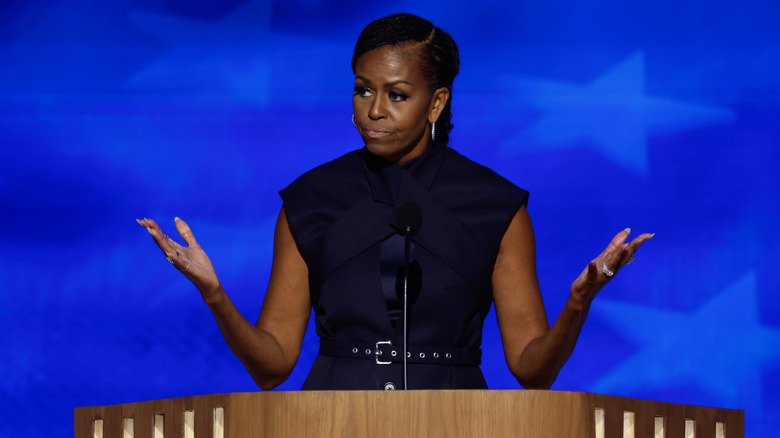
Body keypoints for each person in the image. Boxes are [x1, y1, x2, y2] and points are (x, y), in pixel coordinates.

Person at [137, 13, 652, 391]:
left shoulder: (495, 205)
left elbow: (532, 370)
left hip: (458, 420)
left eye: (397, 95)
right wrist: (215, 295)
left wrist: (580, 301)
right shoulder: (311, 199)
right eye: (363, 91)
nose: (374, 111)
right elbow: (272, 367)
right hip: (330, 418)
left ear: (438, 101)